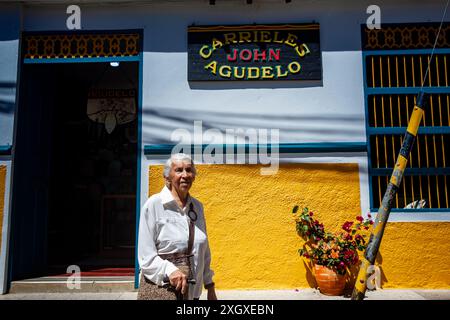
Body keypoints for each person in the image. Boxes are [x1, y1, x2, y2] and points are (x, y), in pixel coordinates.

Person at [137, 153, 217, 300]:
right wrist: (169, 270)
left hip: (193, 294)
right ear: (167, 176)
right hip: (165, 292)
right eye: (179, 170)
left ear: (194, 175)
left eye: (189, 170)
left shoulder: (197, 207)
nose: (185, 175)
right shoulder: (154, 205)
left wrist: (210, 286)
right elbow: (145, 257)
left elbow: (204, 250)